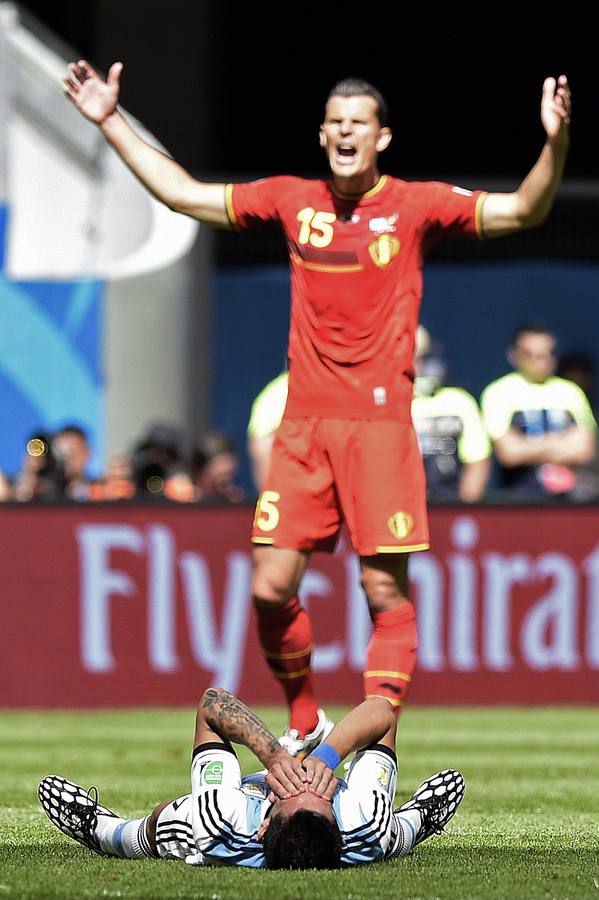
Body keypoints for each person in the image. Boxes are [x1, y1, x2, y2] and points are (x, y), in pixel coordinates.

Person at [63, 60, 571, 752]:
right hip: (303, 425)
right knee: (270, 589)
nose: (343, 133)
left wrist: (555, 143)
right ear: (322, 134)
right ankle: (307, 721)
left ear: (381, 137)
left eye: (356, 123)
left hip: (380, 426)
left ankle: (370, 752)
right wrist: (108, 119)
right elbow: (183, 194)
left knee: (382, 594)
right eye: (333, 123)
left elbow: (523, 210)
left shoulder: (415, 206)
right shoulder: (291, 200)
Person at [39, 687, 464, 869]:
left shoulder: (220, 820)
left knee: (144, 837)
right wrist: (329, 756)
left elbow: (211, 704)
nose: (309, 781)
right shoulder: (363, 821)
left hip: (227, 809)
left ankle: (96, 828)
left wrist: (273, 755)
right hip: (367, 827)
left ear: (263, 825)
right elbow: (382, 710)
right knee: (395, 834)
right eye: (319, 790)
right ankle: (422, 817)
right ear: (338, 821)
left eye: (300, 791)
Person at [480, 324, 596, 498]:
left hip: (569, 499)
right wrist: (561, 443)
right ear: (514, 355)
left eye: (544, 355)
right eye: (530, 355)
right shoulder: (499, 392)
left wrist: (529, 445)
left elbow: (584, 450)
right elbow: (508, 453)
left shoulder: (571, 392)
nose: (538, 361)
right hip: (517, 499)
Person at [411, 326, 491, 503]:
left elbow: (477, 460)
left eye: (424, 358)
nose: (419, 366)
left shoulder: (458, 401)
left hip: (447, 502)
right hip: (401, 509)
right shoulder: (386, 402)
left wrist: (460, 509)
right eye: (412, 357)